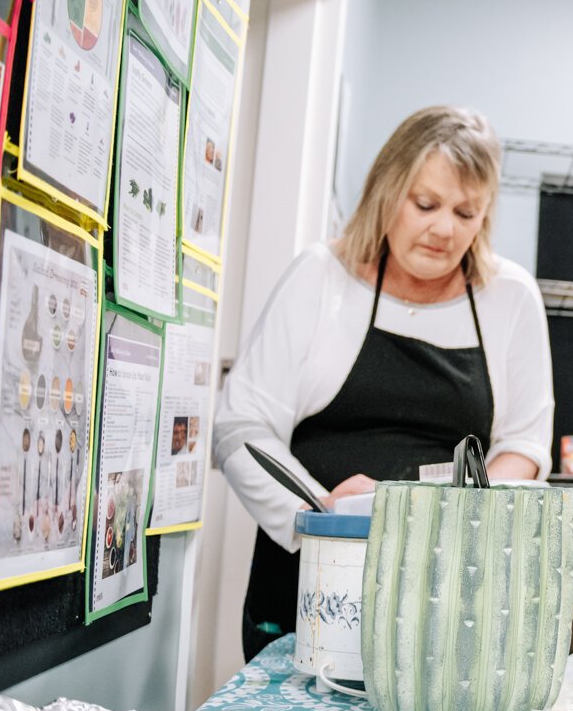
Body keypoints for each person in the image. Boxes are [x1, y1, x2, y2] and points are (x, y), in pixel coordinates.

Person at [214, 106, 554, 661]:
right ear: (387, 191)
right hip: (311, 584)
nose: (445, 229)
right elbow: (241, 427)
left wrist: (442, 517)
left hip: (444, 593)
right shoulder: (320, 278)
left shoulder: (510, 297)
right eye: (425, 204)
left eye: (467, 213)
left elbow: (524, 449)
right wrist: (325, 513)